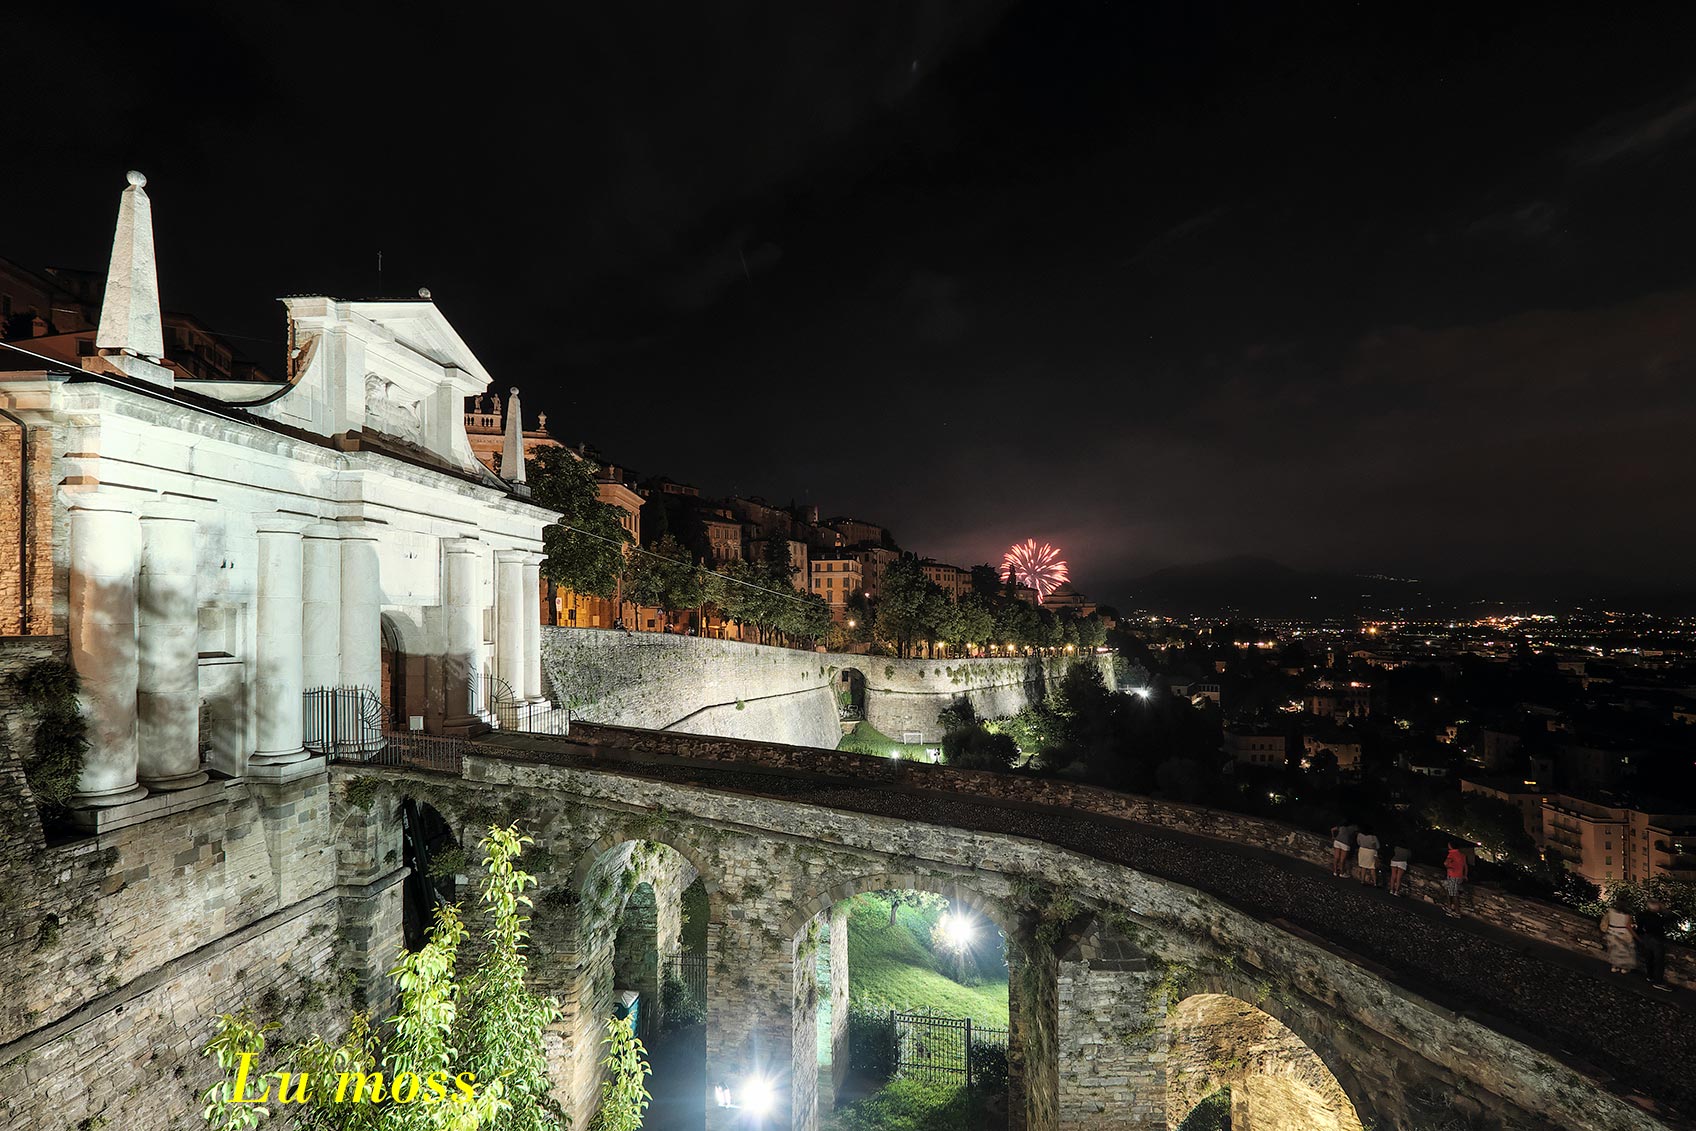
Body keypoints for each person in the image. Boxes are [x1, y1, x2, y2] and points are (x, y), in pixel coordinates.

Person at [1635, 897, 1671, 989]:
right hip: (1656, 939)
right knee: (1659, 961)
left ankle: (1650, 976)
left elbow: (1639, 928)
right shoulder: (1657, 918)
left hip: (1646, 938)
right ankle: (1658, 981)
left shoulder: (1642, 915)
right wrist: (1664, 910)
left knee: (1649, 957)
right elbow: (1667, 920)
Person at [1602, 900, 1637, 975]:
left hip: (1612, 933)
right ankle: (1624, 968)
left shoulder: (1611, 912)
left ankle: (1615, 966)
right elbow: (1628, 926)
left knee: (1615, 951)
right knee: (1626, 952)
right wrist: (1637, 937)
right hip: (1623, 934)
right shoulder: (1627, 915)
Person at [1442, 841, 1468, 915]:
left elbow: (1446, 863)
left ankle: (1456, 912)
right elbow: (1465, 866)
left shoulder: (1452, 854)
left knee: (1453, 894)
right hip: (1459, 876)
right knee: (1451, 891)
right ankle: (1450, 908)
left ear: (1450, 846)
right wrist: (1465, 875)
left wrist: (1449, 867)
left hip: (1453, 875)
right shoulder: (1462, 855)